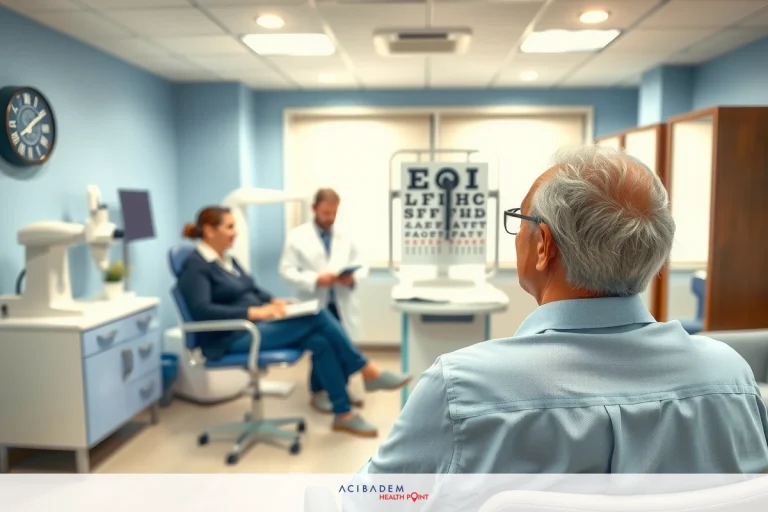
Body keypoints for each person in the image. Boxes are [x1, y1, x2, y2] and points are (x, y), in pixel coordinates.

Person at [361, 145, 768, 473]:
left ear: (544, 246)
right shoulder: (731, 379)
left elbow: (369, 503)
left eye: (520, 220)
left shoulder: (461, 389)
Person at [177, 206, 411, 437]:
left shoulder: (227, 260)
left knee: (320, 340)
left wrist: (276, 302)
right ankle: (367, 370)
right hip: (231, 337)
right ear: (209, 231)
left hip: (253, 329)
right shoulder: (196, 266)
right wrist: (254, 312)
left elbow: (253, 289)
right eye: (230, 227)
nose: (235, 232)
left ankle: (343, 414)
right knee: (318, 314)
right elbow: (201, 310)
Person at [279, 188, 368, 413]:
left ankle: (341, 388)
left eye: (334, 213)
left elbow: (361, 264)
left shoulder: (344, 235)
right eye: (325, 213)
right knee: (322, 347)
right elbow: (286, 271)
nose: (330, 218)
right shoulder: (297, 236)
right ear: (314, 209)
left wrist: (351, 278)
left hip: (341, 300)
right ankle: (318, 392)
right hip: (313, 301)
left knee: (342, 346)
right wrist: (316, 279)